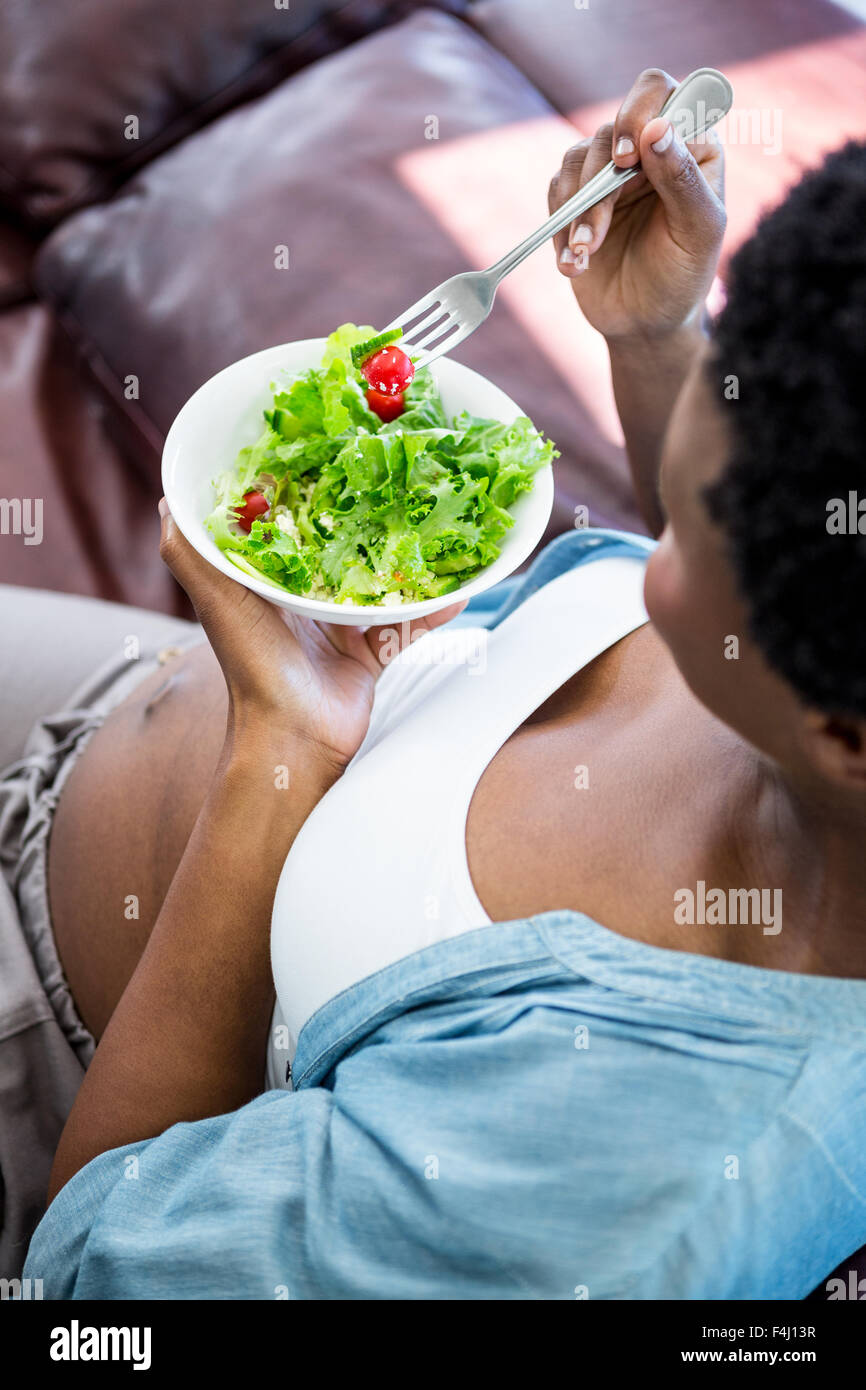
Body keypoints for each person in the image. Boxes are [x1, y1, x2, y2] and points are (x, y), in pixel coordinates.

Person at [6, 68, 866, 1298]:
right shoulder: (817, 645)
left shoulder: (611, 1196)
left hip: (38, 1025)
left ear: (843, 735)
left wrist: (281, 752)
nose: (647, 532)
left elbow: (85, 1273)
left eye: (686, 543)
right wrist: (658, 339)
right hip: (111, 702)